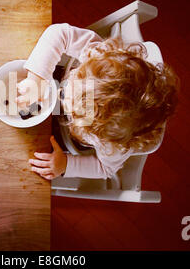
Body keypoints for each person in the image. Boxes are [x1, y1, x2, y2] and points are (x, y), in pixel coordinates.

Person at [16, 23, 179, 180]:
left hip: (66, 136)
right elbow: (60, 33)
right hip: (59, 86)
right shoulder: (98, 56)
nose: (61, 94)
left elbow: (105, 169)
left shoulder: (113, 145)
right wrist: (36, 79)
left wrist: (65, 164)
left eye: (75, 109)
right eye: (75, 77)